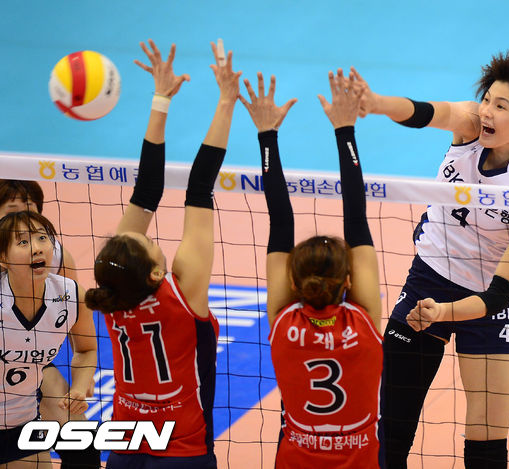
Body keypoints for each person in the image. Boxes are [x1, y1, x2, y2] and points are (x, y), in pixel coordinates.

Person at [352, 49, 509, 468]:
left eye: (501, 106)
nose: (486, 111)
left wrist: (444, 313)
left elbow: (501, 293)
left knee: (486, 444)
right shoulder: (470, 127)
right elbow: (426, 112)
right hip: (429, 279)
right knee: (391, 431)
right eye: (487, 99)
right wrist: (376, 104)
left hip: (487, 303)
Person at [84, 38, 240, 469]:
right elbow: (200, 186)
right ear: (155, 272)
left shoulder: (112, 291)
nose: (151, 237)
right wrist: (226, 101)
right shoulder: (183, 295)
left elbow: (147, 190)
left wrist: (161, 98)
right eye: (150, 242)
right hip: (183, 452)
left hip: (126, 447)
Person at [239, 69, 384, 468]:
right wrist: (345, 130)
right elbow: (357, 218)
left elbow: (279, 221)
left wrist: (266, 135)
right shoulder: (364, 322)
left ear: (291, 280)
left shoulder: (283, 323)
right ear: (349, 280)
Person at [0, 179, 101, 469]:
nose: (35, 246)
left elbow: (81, 340)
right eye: (13, 211)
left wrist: (81, 382)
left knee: (80, 439)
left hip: (33, 366)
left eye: (32, 210)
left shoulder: (64, 280)